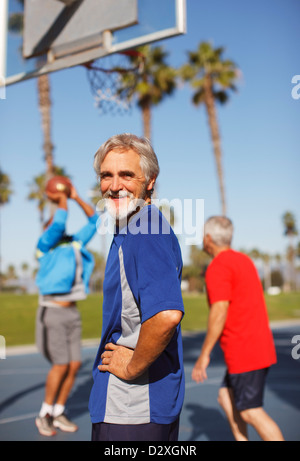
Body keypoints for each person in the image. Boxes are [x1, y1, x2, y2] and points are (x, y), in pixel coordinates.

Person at [89, 133, 185, 442]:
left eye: (126, 175)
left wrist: (131, 368)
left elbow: (167, 314)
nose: (114, 185)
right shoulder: (133, 227)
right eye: (107, 175)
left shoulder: (144, 226)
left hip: (132, 407)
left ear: (150, 181)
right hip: (141, 407)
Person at [192, 216, 284, 441]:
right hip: (256, 347)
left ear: (209, 238)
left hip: (245, 352)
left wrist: (204, 355)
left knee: (251, 412)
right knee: (225, 396)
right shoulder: (244, 260)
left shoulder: (218, 266)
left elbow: (220, 310)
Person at [35, 183, 98, 437]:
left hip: (73, 312)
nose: (55, 227)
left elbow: (94, 221)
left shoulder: (73, 243)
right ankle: (44, 414)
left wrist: (75, 196)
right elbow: (59, 222)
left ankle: (58, 410)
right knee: (60, 364)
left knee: (73, 365)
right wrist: (62, 196)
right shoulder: (45, 246)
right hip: (54, 311)